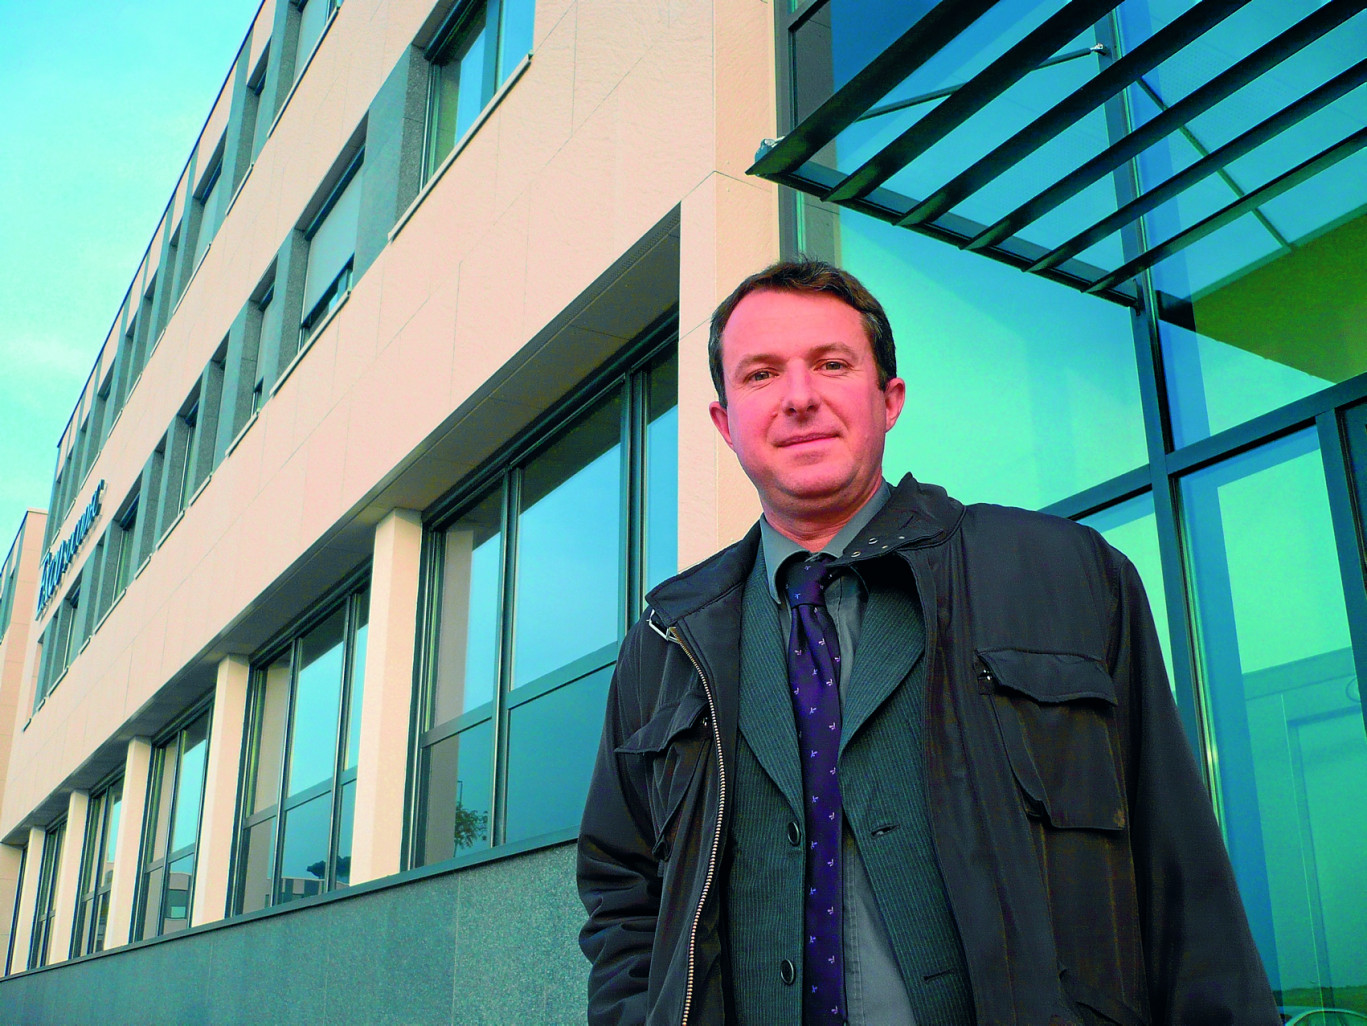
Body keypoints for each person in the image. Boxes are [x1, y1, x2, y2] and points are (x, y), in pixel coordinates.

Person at [577, 260, 1278, 1025]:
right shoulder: (665, 638)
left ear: (888, 399)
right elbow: (623, 891)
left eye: (832, 364)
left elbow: (1179, 871)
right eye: (760, 374)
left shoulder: (1066, 576)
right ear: (724, 421)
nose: (799, 396)